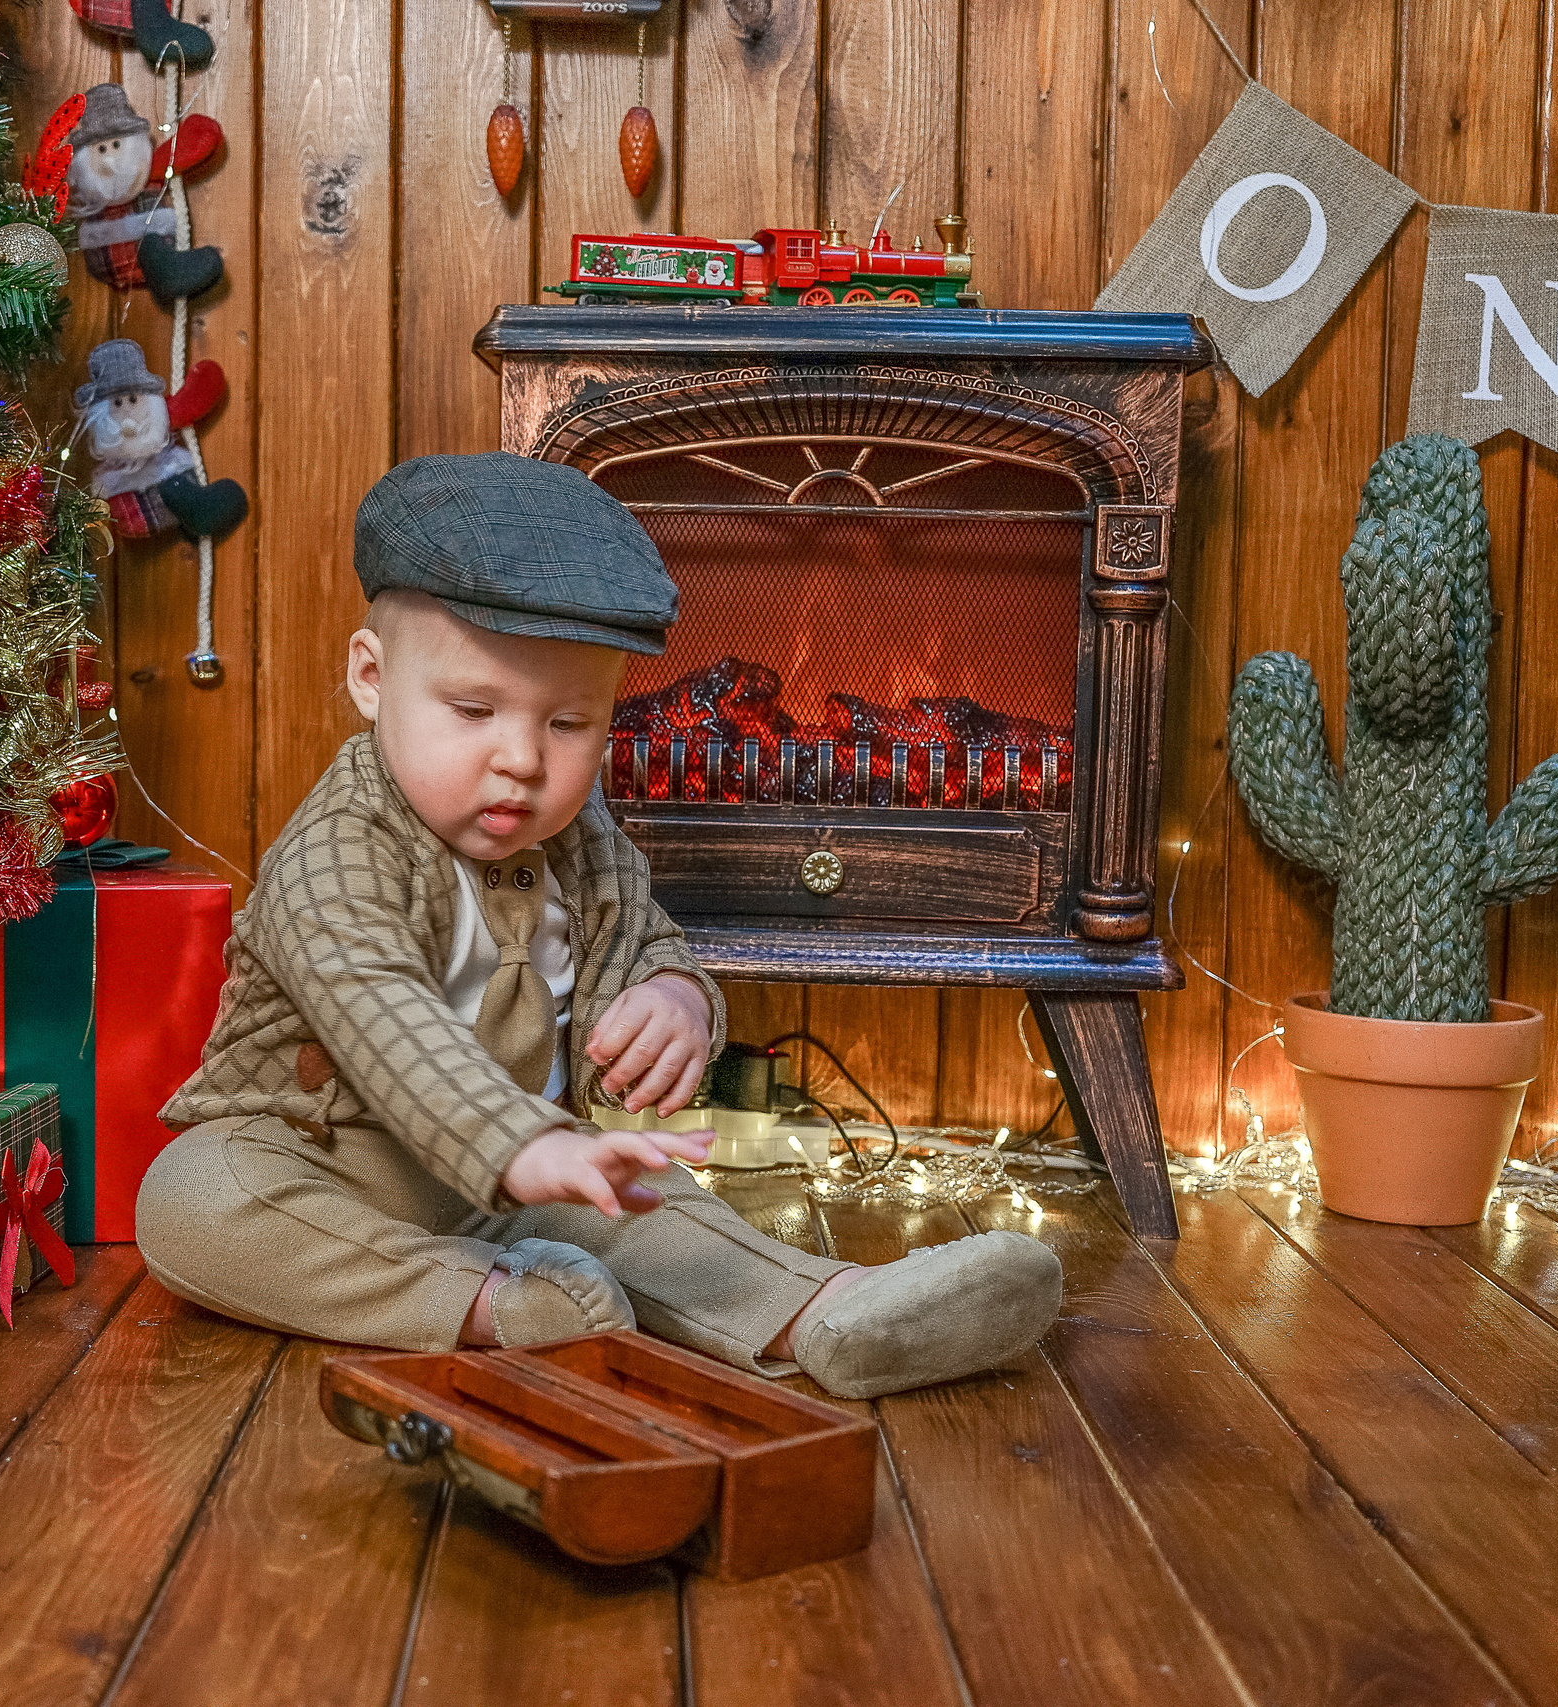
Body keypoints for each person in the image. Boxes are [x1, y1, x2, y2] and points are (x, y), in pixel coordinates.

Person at [137, 453, 1062, 1398]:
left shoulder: (577, 833)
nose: (522, 761)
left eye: (569, 723)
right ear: (372, 679)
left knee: (642, 1208)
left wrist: (673, 1000)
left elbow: (638, 936)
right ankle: (498, 1307)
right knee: (192, 1198)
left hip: (531, 1170)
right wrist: (521, 1148)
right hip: (330, 1163)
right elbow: (376, 1014)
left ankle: (832, 1310)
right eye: (472, 710)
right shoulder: (335, 850)